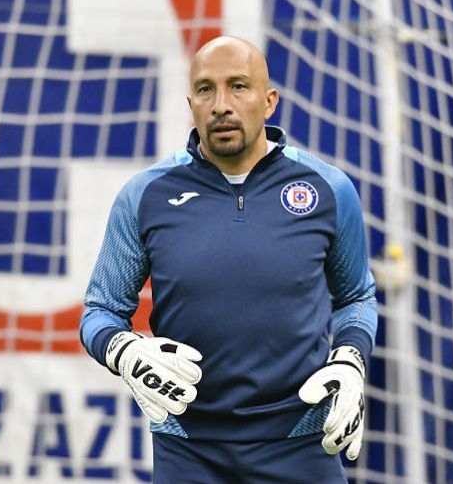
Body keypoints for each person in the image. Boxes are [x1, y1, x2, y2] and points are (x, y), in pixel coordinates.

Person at [79, 36, 378, 484]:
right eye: (206, 89)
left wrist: (351, 358)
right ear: (190, 103)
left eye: (239, 86)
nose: (221, 104)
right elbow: (100, 311)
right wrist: (123, 350)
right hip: (187, 448)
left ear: (269, 101)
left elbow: (356, 296)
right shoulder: (145, 195)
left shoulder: (328, 190)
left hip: (301, 442)